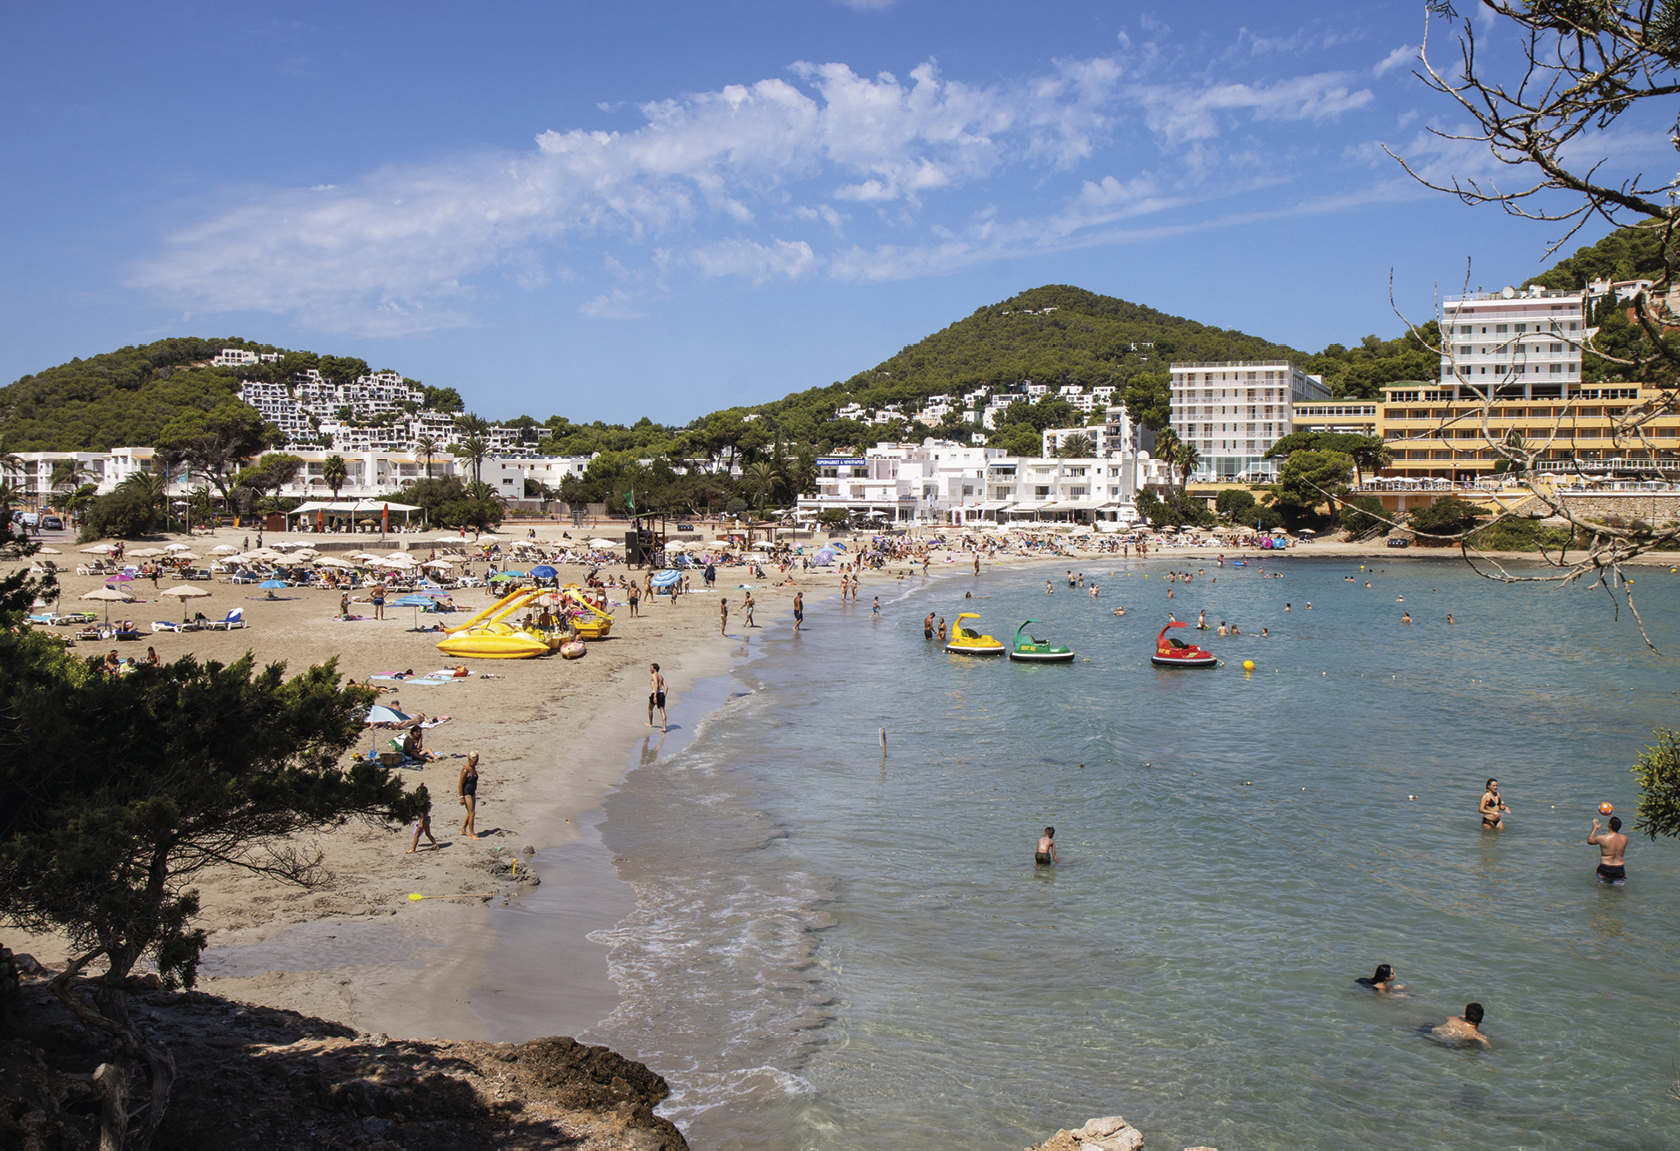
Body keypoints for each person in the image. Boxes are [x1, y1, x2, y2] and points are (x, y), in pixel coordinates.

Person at [1588, 815, 1628, 885]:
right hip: (1619, 868)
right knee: (1619, 891)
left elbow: (1589, 841)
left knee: (1602, 890)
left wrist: (1595, 828)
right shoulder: (1624, 838)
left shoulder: (1602, 838)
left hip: (1605, 868)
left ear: (1609, 825)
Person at [407, 783, 437, 853]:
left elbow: (422, 814)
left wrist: (421, 823)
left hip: (423, 821)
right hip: (427, 820)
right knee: (428, 834)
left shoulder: (422, 803)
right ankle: (435, 845)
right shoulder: (426, 802)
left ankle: (413, 849)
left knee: (416, 835)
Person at [458, 753, 481, 841]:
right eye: (475, 761)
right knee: (472, 813)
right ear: (470, 760)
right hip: (466, 792)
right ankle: (471, 834)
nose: (476, 763)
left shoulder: (473, 768)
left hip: (472, 792)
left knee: (470, 812)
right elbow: (460, 784)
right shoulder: (465, 770)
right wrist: (461, 797)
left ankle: (463, 829)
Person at [647, 663, 667, 732]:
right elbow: (666, 687)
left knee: (650, 708)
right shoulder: (661, 676)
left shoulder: (654, 675)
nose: (650, 669)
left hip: (655, 693)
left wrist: (655, 696)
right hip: (661, 693)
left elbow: (656, 686)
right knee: (662, 710)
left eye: (651, 668)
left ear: (655, 669)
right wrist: (664, 695)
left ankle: (650, 723)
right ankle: (664, 727)